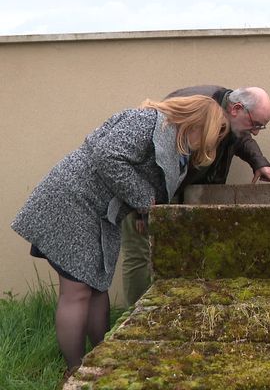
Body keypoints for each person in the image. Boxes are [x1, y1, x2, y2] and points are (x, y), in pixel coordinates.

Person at [11, 95, 228, 371]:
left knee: (98, 287)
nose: (209, 144)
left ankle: (102, 358)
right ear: (197, 123)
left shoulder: (175, 144)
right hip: (73, 200)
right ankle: (75, 370)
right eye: (210, 134)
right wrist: (143, 201)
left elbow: (141, 176)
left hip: (99, 211)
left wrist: (141, 211)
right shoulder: (147, 121)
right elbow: (107, 156)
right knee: (77, 291)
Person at [121, 86, 270, 307]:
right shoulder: (199, 109)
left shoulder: (229, 111)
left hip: (172, 191)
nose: (256, 131)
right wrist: (143, 208)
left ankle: (166, 310)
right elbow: (155, 159)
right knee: (141, 254)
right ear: (237, 108)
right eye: (256, 124)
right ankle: (137, 315)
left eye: (261, 126)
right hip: (145, 191)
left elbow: (241, 138)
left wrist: (259, 163)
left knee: (172, 253)